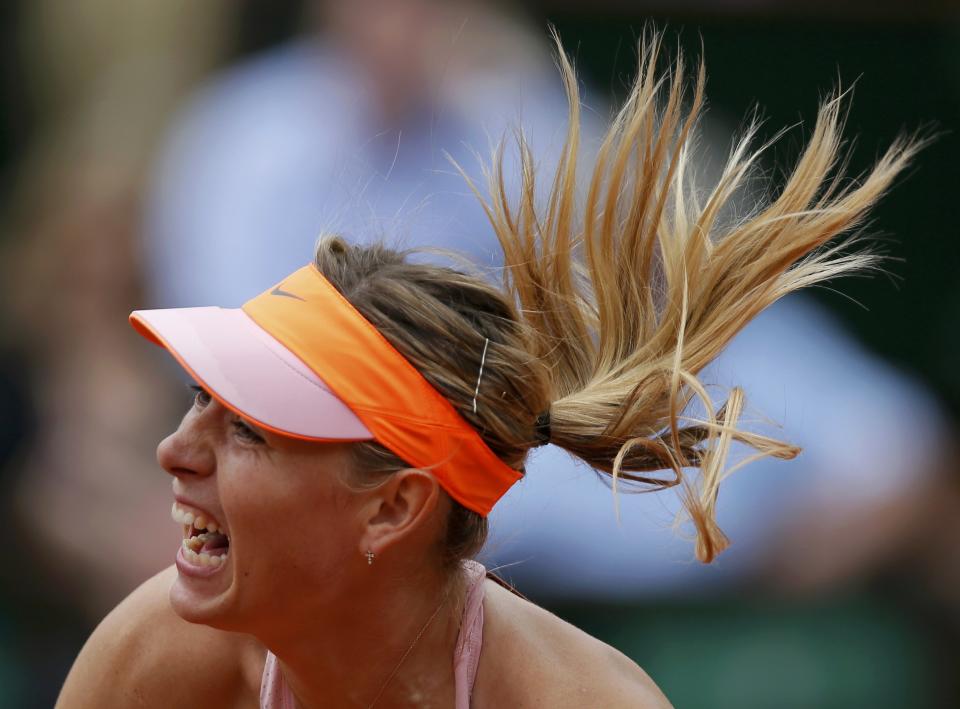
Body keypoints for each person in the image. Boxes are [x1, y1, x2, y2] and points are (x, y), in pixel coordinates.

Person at [57, 33, 920, 708]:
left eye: (247, 426)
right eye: (201, 400)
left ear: (392, 505)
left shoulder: (581, 700)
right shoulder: (152, 655)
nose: (174, 450)